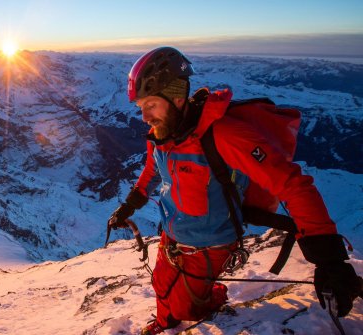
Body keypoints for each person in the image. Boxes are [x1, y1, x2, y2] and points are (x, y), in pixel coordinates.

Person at [107, 46, 362, 334]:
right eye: (140, 107)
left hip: (210, 243)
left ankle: (206, 302)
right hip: (174, 233)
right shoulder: (160, 134)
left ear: (176, 97)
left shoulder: (224, 135)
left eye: (150, 105)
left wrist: (330, 259)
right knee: (161, 283)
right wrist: (130, 205)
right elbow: (152, 169)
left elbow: (292, 185)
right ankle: (166, 325)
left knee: (184, 306)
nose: (144, 116)